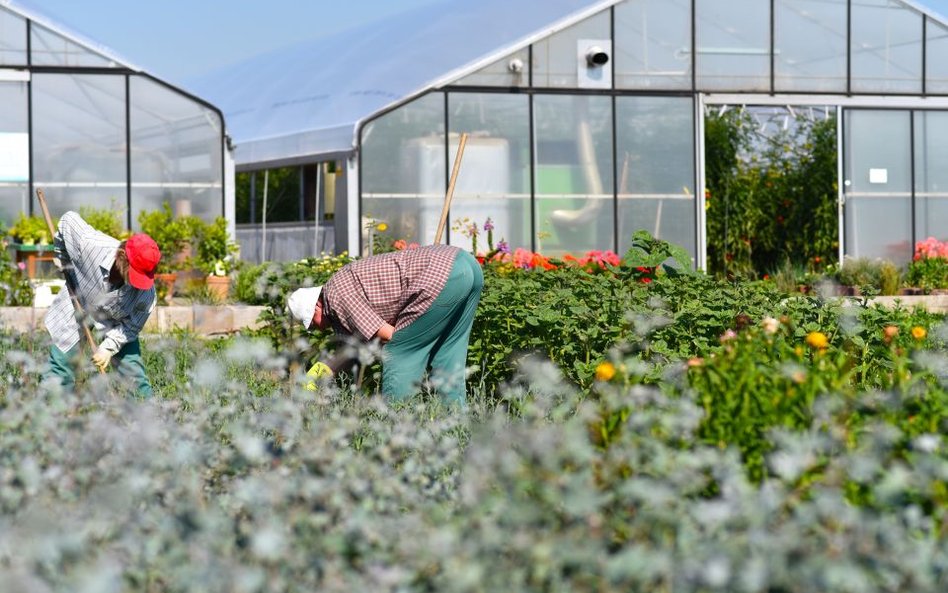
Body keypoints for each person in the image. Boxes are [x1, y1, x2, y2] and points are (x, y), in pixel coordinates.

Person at [287, 244, 483, 405]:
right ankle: (454, 423)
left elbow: (389, 335)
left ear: (317, 305)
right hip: (465, 264)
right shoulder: (339, 289)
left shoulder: (335, 295)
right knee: (448, 355)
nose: (318, 329)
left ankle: (400, 425)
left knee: (400, 352)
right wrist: (324, 370)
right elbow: (354, 348)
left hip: (440, 275)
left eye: (312, 322)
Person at [43, 211, 161, 398]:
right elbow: (68, 220)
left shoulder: (147, 294)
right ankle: (52, 415)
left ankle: (146, 418)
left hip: (117, 320)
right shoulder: (90, 245)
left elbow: (131, 326)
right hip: (78, 302)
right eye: (135, 273)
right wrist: (62, 256)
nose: (138, 282)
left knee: (134, 375)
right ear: (122, 256)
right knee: (61, 367)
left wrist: (108, 348)